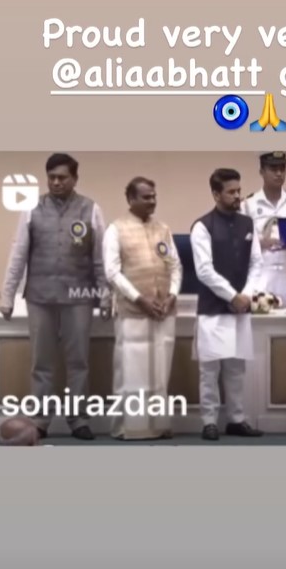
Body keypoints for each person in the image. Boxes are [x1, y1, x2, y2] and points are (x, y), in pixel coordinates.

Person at [0, 153, 110, 441]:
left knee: (78, 362)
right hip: (40, 298)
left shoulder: (91, 209)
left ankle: (79, 419)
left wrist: (106, 296)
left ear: (75, 179)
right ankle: (40, 420)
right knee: (42, 363)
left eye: (62, 177)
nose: (56, 182)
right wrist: (7, 296)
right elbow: (18, 253)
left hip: (79, 297)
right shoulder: (31, 209)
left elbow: (100, 258)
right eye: (52, 177)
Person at [103, 177, 183, 440]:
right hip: (133, 311)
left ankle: (158, 425)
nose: (152, 201)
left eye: (154, 196)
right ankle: (128, 428)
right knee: (131, 372)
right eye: (146, 197)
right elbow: (112, 272)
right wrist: (140, 300)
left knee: (159, 372)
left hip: (163, 311)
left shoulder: (163, 229)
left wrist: (172, 296)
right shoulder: (116, 229)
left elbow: (175, 266)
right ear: (131, 199)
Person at [190, 168, 263, 441]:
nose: (237, 196)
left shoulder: (248, 224)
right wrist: (232, 296)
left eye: (238, 190)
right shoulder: (202, 226)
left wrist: (246, 295)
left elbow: (257, 263)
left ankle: (236, 419)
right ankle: (209, 421)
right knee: (209, 370)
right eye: (231, 192)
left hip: (241, 308)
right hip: (212, 310)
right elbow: (204, 270)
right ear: (216, 194)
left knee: (236, 369)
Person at [241, 152, 286, 307]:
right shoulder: (249, 205)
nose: (279, 173)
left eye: (282, 168)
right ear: (261, 171)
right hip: (260, 278)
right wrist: (260, 242)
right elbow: (240, 243)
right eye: (273, 168)